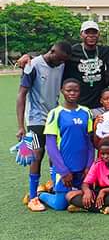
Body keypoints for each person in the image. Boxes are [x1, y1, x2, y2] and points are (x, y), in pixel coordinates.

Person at [16, 41, 71, 205]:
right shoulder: (32, 66)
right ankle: (33, 196)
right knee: (36, 154)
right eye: (59, 59)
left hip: (53, 116)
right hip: (35, 118)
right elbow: (21, 95)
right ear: (52, 51)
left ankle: (54, 187)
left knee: (55, 154)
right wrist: (21, 126)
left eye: (63, 60)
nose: (61, 63)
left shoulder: (61, 64)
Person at [27, 79, 95, 212]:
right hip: (65, 168)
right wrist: (63, 171)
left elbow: (90, 143)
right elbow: (51, 146)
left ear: (79, 92)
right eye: (69, 90)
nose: (72, 93)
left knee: (87, 194)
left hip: (82, 168)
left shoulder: (86, 112)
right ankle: (40, 195)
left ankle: (62, 192)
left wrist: (88, 166)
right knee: (60, 205)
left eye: (75, 90)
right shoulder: (55, 113)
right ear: (62, 91)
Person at [67, 138, 109, 214]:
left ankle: (86, 207)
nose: (105, 156)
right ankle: (104, 209)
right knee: (69, 195)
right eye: (102, 154)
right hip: (100, 191)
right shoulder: (97, 162)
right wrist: (87, 191)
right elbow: (85, 183)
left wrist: (104, 191)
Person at [63, 20, 109, 111]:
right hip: (78, 105)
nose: (91, 36)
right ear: (81, 34)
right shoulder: (72, 51)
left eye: (94, 33)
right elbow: (53, 56)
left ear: (98, 34)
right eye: (87, 32)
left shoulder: (106, 51)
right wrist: (30, 57)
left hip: (99, 105)